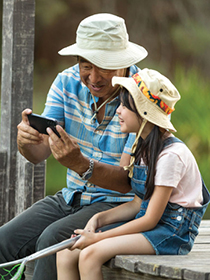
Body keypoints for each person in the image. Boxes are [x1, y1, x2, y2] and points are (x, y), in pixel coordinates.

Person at [0, 13, 148, 280]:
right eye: (85, 65)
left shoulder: (145, 94)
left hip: (120, 206)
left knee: (51, 242)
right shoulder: (66, 81)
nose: (93, 77)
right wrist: (26, 143)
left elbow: (128, 183)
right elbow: (38, 154)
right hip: (72, 197)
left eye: (103, 66)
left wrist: (81, 165)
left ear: (123, 61)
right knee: (3, 241)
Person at [56, 68, 210, 280]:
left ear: (144, 112)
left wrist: (97, 239)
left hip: (172, 232)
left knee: (90, 254)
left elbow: (149, 219)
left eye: (124, 106)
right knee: (66, 253)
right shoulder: (143, 148)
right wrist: (97, 219)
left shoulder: (170, 156)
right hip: (152, 223)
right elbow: (138, 204)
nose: (118, 111)